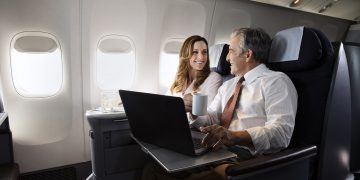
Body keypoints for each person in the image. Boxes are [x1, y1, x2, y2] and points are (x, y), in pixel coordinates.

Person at [143, 28, 297, 180]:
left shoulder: (276, 81)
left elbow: (281, 133)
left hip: (247, 158)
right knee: (153, 169)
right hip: (217, 150)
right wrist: (195, 112)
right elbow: (212, 117)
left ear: (248, 55)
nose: (227, 58)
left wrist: (234, 136)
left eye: (231, 51)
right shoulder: (229, 85)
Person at [167, 35, 222, 109]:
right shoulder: (180, 78)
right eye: (195, 52)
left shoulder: (214, 78)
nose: (201, 57)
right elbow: (166, 101)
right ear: (186, 54)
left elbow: (208, 112)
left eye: (204, 52)